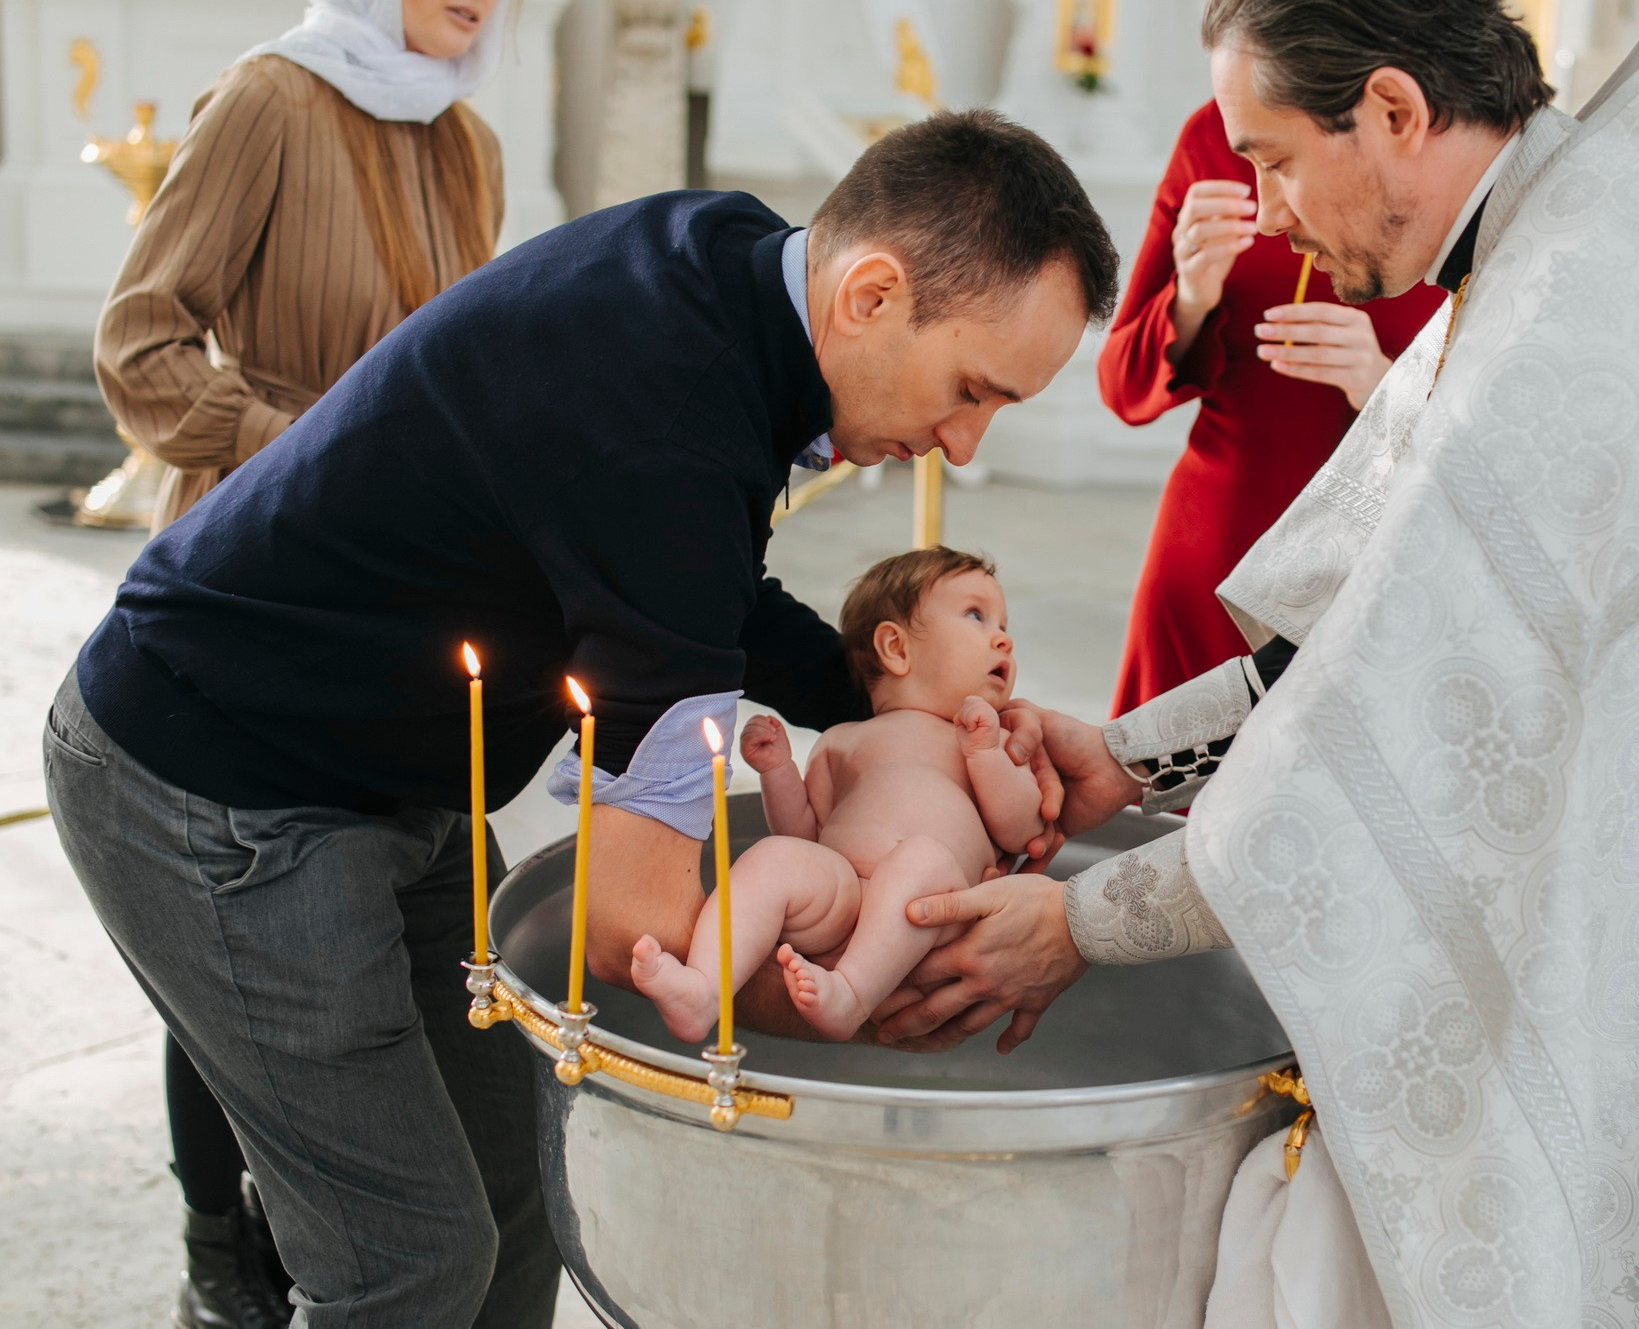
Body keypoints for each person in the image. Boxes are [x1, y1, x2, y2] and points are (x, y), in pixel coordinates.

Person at [882, 0, 1639, 1320]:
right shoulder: (1556, 234)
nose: (1266, 206)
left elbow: (1384, 753)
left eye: (1275, 155)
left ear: (1398, 114)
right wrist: (1124, 756)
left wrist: (1078, 922)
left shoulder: (1561, 321)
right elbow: (1360, 646)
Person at [45, 110, 1116, 1326]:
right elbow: (631, 930)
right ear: (868, 294)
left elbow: (709, 587)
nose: (964, 445)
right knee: (406, 1258)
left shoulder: (731, 270)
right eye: (971, 389)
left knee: (521, 1196)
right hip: (214, 780)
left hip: (396, 771)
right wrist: (872, 987)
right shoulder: (658, 409)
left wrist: (922, 705)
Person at [91, 0, 507, 1323]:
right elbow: (138, 342)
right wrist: (313, 458)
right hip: (257, 569)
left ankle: (324, 1210)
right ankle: (223, 1255)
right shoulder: (268, 100)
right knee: (236, 922)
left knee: (375, 920)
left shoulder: (470, 142)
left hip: (405, 598)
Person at [1098, 101, 1443, 715]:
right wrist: (1190, 298)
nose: (1272, 213)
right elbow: (1122, 386)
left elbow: (1507, 446)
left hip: (1376, 579)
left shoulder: (1446, 154)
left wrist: (1383, 384)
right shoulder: (1214, 131)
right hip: (1211, 557)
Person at [631, 547, 1043, 1042]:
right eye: (977, 615)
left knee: (924, 858)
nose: (1004, 638)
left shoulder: (986, 739)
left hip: (928, 916)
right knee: (775, 856)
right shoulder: (842, 739)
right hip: (840, 897)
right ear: (895, 647)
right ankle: (704, 989)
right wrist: (778, 771)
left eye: (1003, 623)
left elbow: (1024, 831)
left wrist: (986, 756)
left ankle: (851, 994)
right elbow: (805, 832)